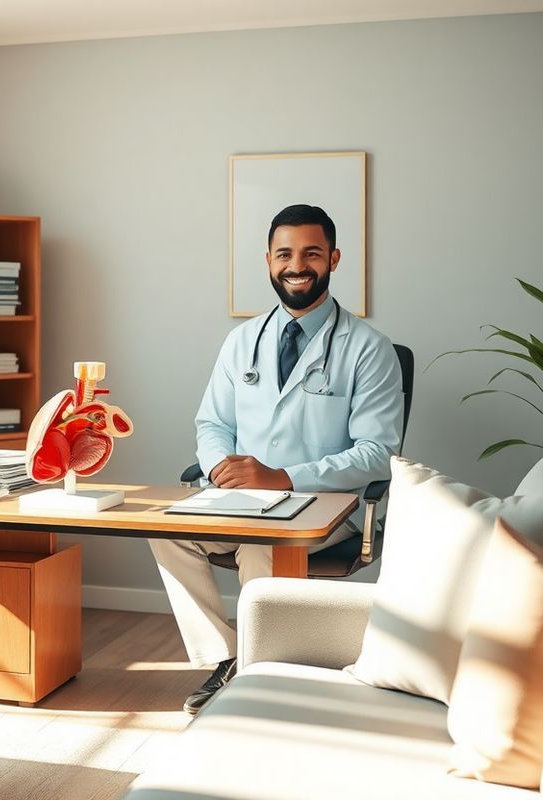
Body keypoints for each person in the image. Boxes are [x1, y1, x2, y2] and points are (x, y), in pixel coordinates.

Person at [150, 204, 403, 714]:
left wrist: (282, 477)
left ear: (333, 259)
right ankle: (233, 657)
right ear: (268, 260)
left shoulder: (368, 349)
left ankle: (253, 678)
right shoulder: (242, 340)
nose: (297, 265)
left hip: (322, 508)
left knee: (262, 546)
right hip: (240, 500)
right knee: (163, 528)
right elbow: (212, 424)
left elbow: (378, 455)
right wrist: (223, 468)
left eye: (311, 252)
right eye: (284, 253)